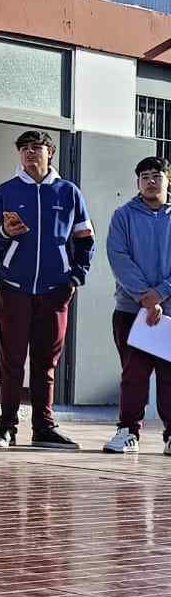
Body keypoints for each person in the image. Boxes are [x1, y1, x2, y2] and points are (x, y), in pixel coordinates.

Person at [0, 129, 93, 449]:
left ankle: (44, 427)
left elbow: (85, 240)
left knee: (46, 362)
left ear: (50, 152)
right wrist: (6, 231)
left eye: (36, 147)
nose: (29, 152)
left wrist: (75, 277)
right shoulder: (6, 191)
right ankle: (6, 427)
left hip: (54, 291)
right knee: (11, 361)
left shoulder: (68, 192)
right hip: (13, 288)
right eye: (24, 148)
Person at [104, 156, 171, 455]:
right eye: (144, 176)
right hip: (131, 310)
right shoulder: (123, 216)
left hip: (169, 312)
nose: (150, 181)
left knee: (170, 377)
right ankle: (128, 432)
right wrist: (145, 297)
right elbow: (118, 257)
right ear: (138, 182)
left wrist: (161, 294)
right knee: (133, 375)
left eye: (156, 175)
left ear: (168, 180)